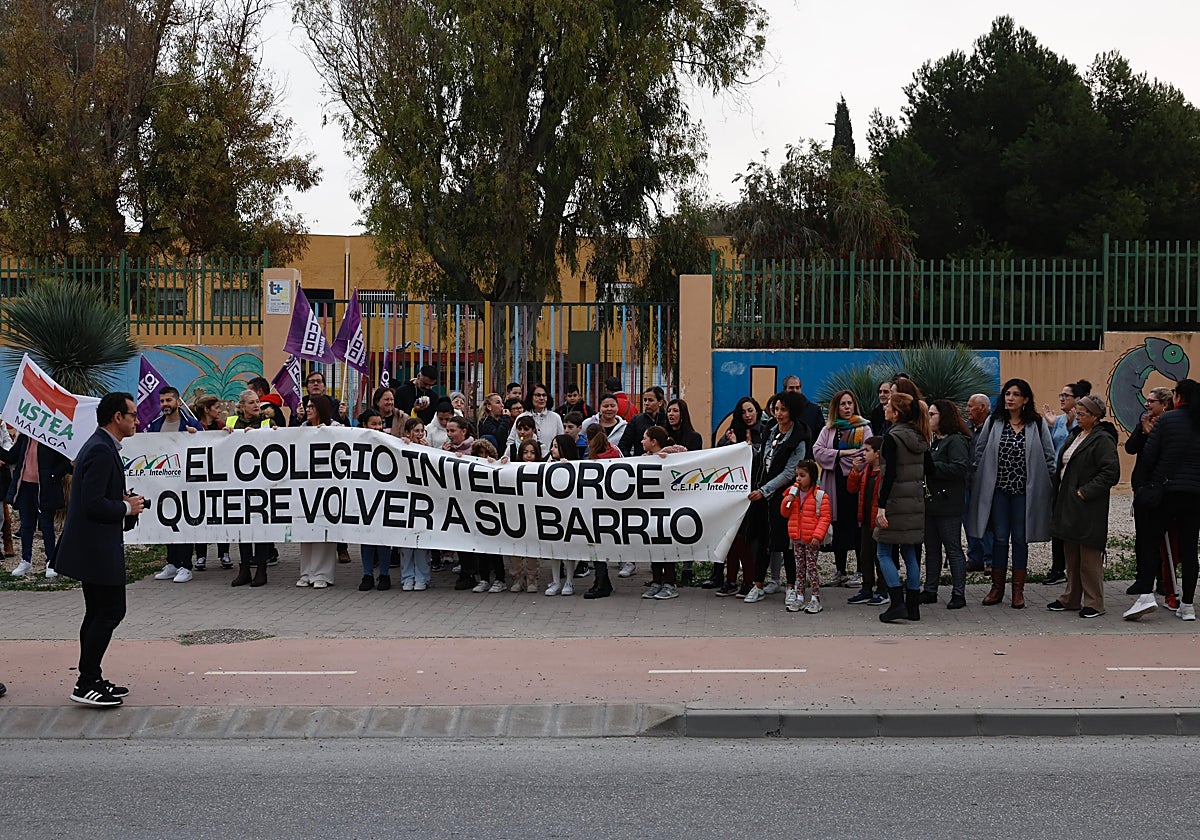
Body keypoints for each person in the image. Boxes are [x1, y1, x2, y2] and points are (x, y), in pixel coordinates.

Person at [54, 392, 145, 707]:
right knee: (109, 611)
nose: (137, 420)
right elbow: (91, 504)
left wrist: (124, 504)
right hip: (95, 549)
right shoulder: (101, 450)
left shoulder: (101, 446)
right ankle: (85, 682)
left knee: (98, 612)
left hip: (95, 546)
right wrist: (125, 507)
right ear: (117, 417)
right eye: (132, 414)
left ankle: (91, 676)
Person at [968, 378, 1056, 609]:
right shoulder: (994, 421)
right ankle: (997, 588)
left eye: (1016, 394)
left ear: (1025, 399)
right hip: (998, 492)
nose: (1010, 398)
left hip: (1024, 494)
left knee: (1019, 539)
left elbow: (1049, 457)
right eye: (1007, 393)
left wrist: (1048, 485)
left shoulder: (1036, 423)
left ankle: (1018, 590)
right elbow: (980, 451)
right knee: (998, 539)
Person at [1124, 379, 1200, 622]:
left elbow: (1148, 456)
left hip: (1166, 492)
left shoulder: (1167, 420)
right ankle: (1187, 605)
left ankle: (1146, 594)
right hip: (1195, 495)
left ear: (1177, 397)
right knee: (1190, 549)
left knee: (1150, 541)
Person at [1046, 396, 1120, 618]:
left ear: (1095, 417)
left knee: (1089, 556)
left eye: (1082, 414)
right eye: (1076, 414)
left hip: (1088, 506)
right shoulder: (1076, 435)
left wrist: (1084, 492)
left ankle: (1094, 602)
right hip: (1068, 503)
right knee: (1072, 555)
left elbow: (1110, 473)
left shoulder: (1102, 439)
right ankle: (1071, 598)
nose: (1077, 417)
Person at [743, 391, 810, 604]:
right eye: (776, 409)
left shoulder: (799, 438)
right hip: (765, 497)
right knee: (763, 540)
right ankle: (758, 584)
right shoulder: (771, 432)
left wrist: (765, 490)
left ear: (793, 411)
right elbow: (764, 459)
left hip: (785, 498)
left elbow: (790, 472)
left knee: (787, 542)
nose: (778, 413)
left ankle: (792, 585)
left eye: (783, 409)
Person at [875, 392, 931, 623]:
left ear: (896, 413)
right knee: (909, 552)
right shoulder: (920, 436)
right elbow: (930, 469)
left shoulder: (892, 437)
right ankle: (913, 606)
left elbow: (890, 475)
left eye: (888, 405)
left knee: (883, 551)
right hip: (915, 502)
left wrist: (881, 507)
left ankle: (897, 602)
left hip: (895, 502)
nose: (885, 408)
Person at [1124, 386, 1179, 609]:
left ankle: (1163, 580)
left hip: (1162, 489)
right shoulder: (1144, 422)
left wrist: (1152, 435)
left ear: (1164, 404)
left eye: (1152, 401)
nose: (1147, 405)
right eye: (1147, 401)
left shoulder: (1170, 425)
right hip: (1143, 488)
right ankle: (1142, 578)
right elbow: (1129, 448)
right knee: (1143, 537)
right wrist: (1143, 433)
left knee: (1162, 538)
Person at [812, 389, 872, 589]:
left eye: (850, 403)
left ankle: (861, 571)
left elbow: (865, 454)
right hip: (834, 482)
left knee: (856, 526)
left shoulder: (864, 428)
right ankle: (840, 571)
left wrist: (845, 461)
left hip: (854, 483)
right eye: (843, 404)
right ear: (836, 408)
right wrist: (842, 453)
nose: (847, 407)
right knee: (837, 525)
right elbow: (818, 450)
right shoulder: (829, 429)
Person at [149, 386, 204, 583]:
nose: (165, 404)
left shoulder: (191, 423)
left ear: (178, 402)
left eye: (168, 401)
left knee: (183, 524)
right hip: (163, 483)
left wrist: (194, 435)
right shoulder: (155, 425)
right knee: (168, 522)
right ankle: (172, 563)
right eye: (162, 401)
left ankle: (185, 565)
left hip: (186, 484)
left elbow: (205, 445)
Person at [1042, 379, 1092, 586]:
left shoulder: (1083, 422)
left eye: (1066, 396)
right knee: (1056, 524)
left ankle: (1073, 569)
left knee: (1070, 525)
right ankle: (1057, 568)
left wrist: (1071, 424)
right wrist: (1052, 424)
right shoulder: (1060, 420)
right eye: (1060, 395)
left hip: (1074, 480)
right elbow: (1054, 447)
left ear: (1078, 400)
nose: (1062, 399)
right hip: (1057, 477)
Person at [922, 400, 972, 609]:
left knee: (953, 548)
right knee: (931, 549)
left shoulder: (956, 441)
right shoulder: (934, 441)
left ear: (944, 417)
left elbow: (959, 468)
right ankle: (930, 589)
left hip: (948, 503)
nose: (929, 418)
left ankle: (958, 593)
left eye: (932, 414)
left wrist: (932, 466)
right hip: (931, 502)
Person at [2, 431, 71, 579]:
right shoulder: (25, 437)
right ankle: (26, 560)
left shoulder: (52, 437)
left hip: (45, 488)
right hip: (25, 486)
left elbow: (66, 461)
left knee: (46, 525)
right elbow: (12, 457)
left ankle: (51, 561)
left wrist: (53, 475)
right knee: (26, 525)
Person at [717, 397, 766, 596]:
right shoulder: (732, 431)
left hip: (754, 491)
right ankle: (730, 580)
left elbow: (762, 457)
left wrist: (745, 448)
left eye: (750, 410)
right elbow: (718, 454)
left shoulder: (765, 431)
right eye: (743, 412)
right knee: (732, 538)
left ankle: (749, 581)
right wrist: (731, 444)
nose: (747, 415)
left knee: (747, 538)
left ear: (757, 411)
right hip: (732, 492)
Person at [295, 395, 339, 589]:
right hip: (306, 487)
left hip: (328, 487)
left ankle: (322, 574)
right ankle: (306, 572)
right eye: (307, 406)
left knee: (324, 530)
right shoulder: (302, 429)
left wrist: (328, 434)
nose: (308, 409)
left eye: (312, 406)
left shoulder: (336, 428)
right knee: (306, 531)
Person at [640, 427, 688, 600]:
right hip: (650, 510)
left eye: (644, 438)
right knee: (654, 548)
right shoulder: (644, 459)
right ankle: (656, 582)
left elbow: (686, 456)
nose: (641, 441)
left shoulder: (672, 456)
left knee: (667, 547)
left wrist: (668, 456)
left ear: (654, 442)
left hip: (669, 510)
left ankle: (669, 583)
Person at [780, 459, 833, 614]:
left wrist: (818, 535)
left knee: (811, 568)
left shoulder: (820, 496)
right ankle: (800, 596)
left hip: (811, 539)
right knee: (799, 568)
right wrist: (786, 501)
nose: (798, 479)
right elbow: (784, 513)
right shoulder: (792, 493)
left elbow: (825, 517)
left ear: (812, 476)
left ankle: (815, 598)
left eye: (802, 475)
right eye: (797, 475)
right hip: (797, 538)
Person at [846, 437, 889, 606]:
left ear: (877, 454)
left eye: (867, 450)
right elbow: (852, 488)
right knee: (865, 556)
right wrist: (855, 471)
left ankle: (883, 590)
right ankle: (866, 588)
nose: (863, 454)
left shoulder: (884, 473)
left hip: (878, 523)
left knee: (881, 557)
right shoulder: (866, 471)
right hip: (865, 521)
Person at [505, 440, 542, 592]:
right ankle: (517, 578)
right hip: (516, 513)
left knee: (532, 546)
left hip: (533, 514)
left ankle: (532, 578)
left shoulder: (543, 468)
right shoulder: (512, 469)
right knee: (515, 547)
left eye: (532, 453)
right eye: (525, 452)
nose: (529, 456)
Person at [964, 393, 994, 573]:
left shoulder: (994, 427)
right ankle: (975, 557)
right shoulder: (966, 429)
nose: (967, 410)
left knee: (987, 520)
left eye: (970, 406)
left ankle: (990, 559)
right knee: (968, 519)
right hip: (968, 479)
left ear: (982, 407)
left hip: (986, 480)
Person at [504, 383, 564, 454]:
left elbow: (561, 441)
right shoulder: (521, 417)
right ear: (530, 397)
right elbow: (511, 441)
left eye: (544, 395)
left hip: (549, 462)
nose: (541, 398)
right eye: (538, 395)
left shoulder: (555, 417)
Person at [780, 375, 825, 456]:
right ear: (784, 390)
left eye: (797, 388)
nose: (795, 391)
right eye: (791, 388)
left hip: (808, 459)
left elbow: (821, 437)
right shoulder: (779, 410)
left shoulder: (814, 410)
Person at [623, 386, 668, 456]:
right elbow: (624, 445)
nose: (646, 403)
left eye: (650, 400)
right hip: (640, 462)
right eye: (645, 400)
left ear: (660, 402)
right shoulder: (636, 420)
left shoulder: (667, 420)